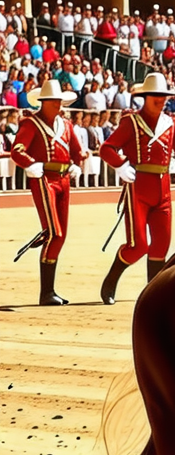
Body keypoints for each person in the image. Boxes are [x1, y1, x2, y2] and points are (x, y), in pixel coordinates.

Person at [98, 72, 175, 305]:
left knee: (161, 243)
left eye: (164, 96)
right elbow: (107, 148)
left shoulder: (172, 123)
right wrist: (121, 165)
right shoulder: (131, 123)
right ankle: (111, 278)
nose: (161, 99)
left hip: (163, 189)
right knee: (138, 245)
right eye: (156, 95)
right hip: (137, 189)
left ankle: (152, 294)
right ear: (144, 97)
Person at [8, 79, 85, 305]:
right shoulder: (31, 124)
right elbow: (17, 150)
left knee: (60, 235)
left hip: (63, 180)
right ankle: (46, 292)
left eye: (59, 100)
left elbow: (77, 152)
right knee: (56, 233)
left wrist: (76, 165)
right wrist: (31, 164)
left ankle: (49, 291)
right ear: (44, 102)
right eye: (54, 100)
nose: (58, 104)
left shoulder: (67, 126)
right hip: (43, 179)